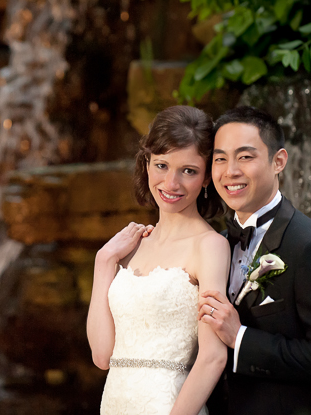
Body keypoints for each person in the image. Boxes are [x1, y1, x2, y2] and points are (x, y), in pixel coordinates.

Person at [198, 106, 311, 415]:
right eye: (220, 158)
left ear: (278, 161)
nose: (230, 171)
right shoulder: (216, 244)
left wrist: (240, 337)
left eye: (245, 157)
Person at [87, 106, 231, 415]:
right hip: (114, 405)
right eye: (162, 165)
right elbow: (102, 356)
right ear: (147, 164)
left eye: (188, 171)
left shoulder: (210, 246)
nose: (171, 183)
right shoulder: (132, 246)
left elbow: (213, 357)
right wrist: (104, 261)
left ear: (207, 177)